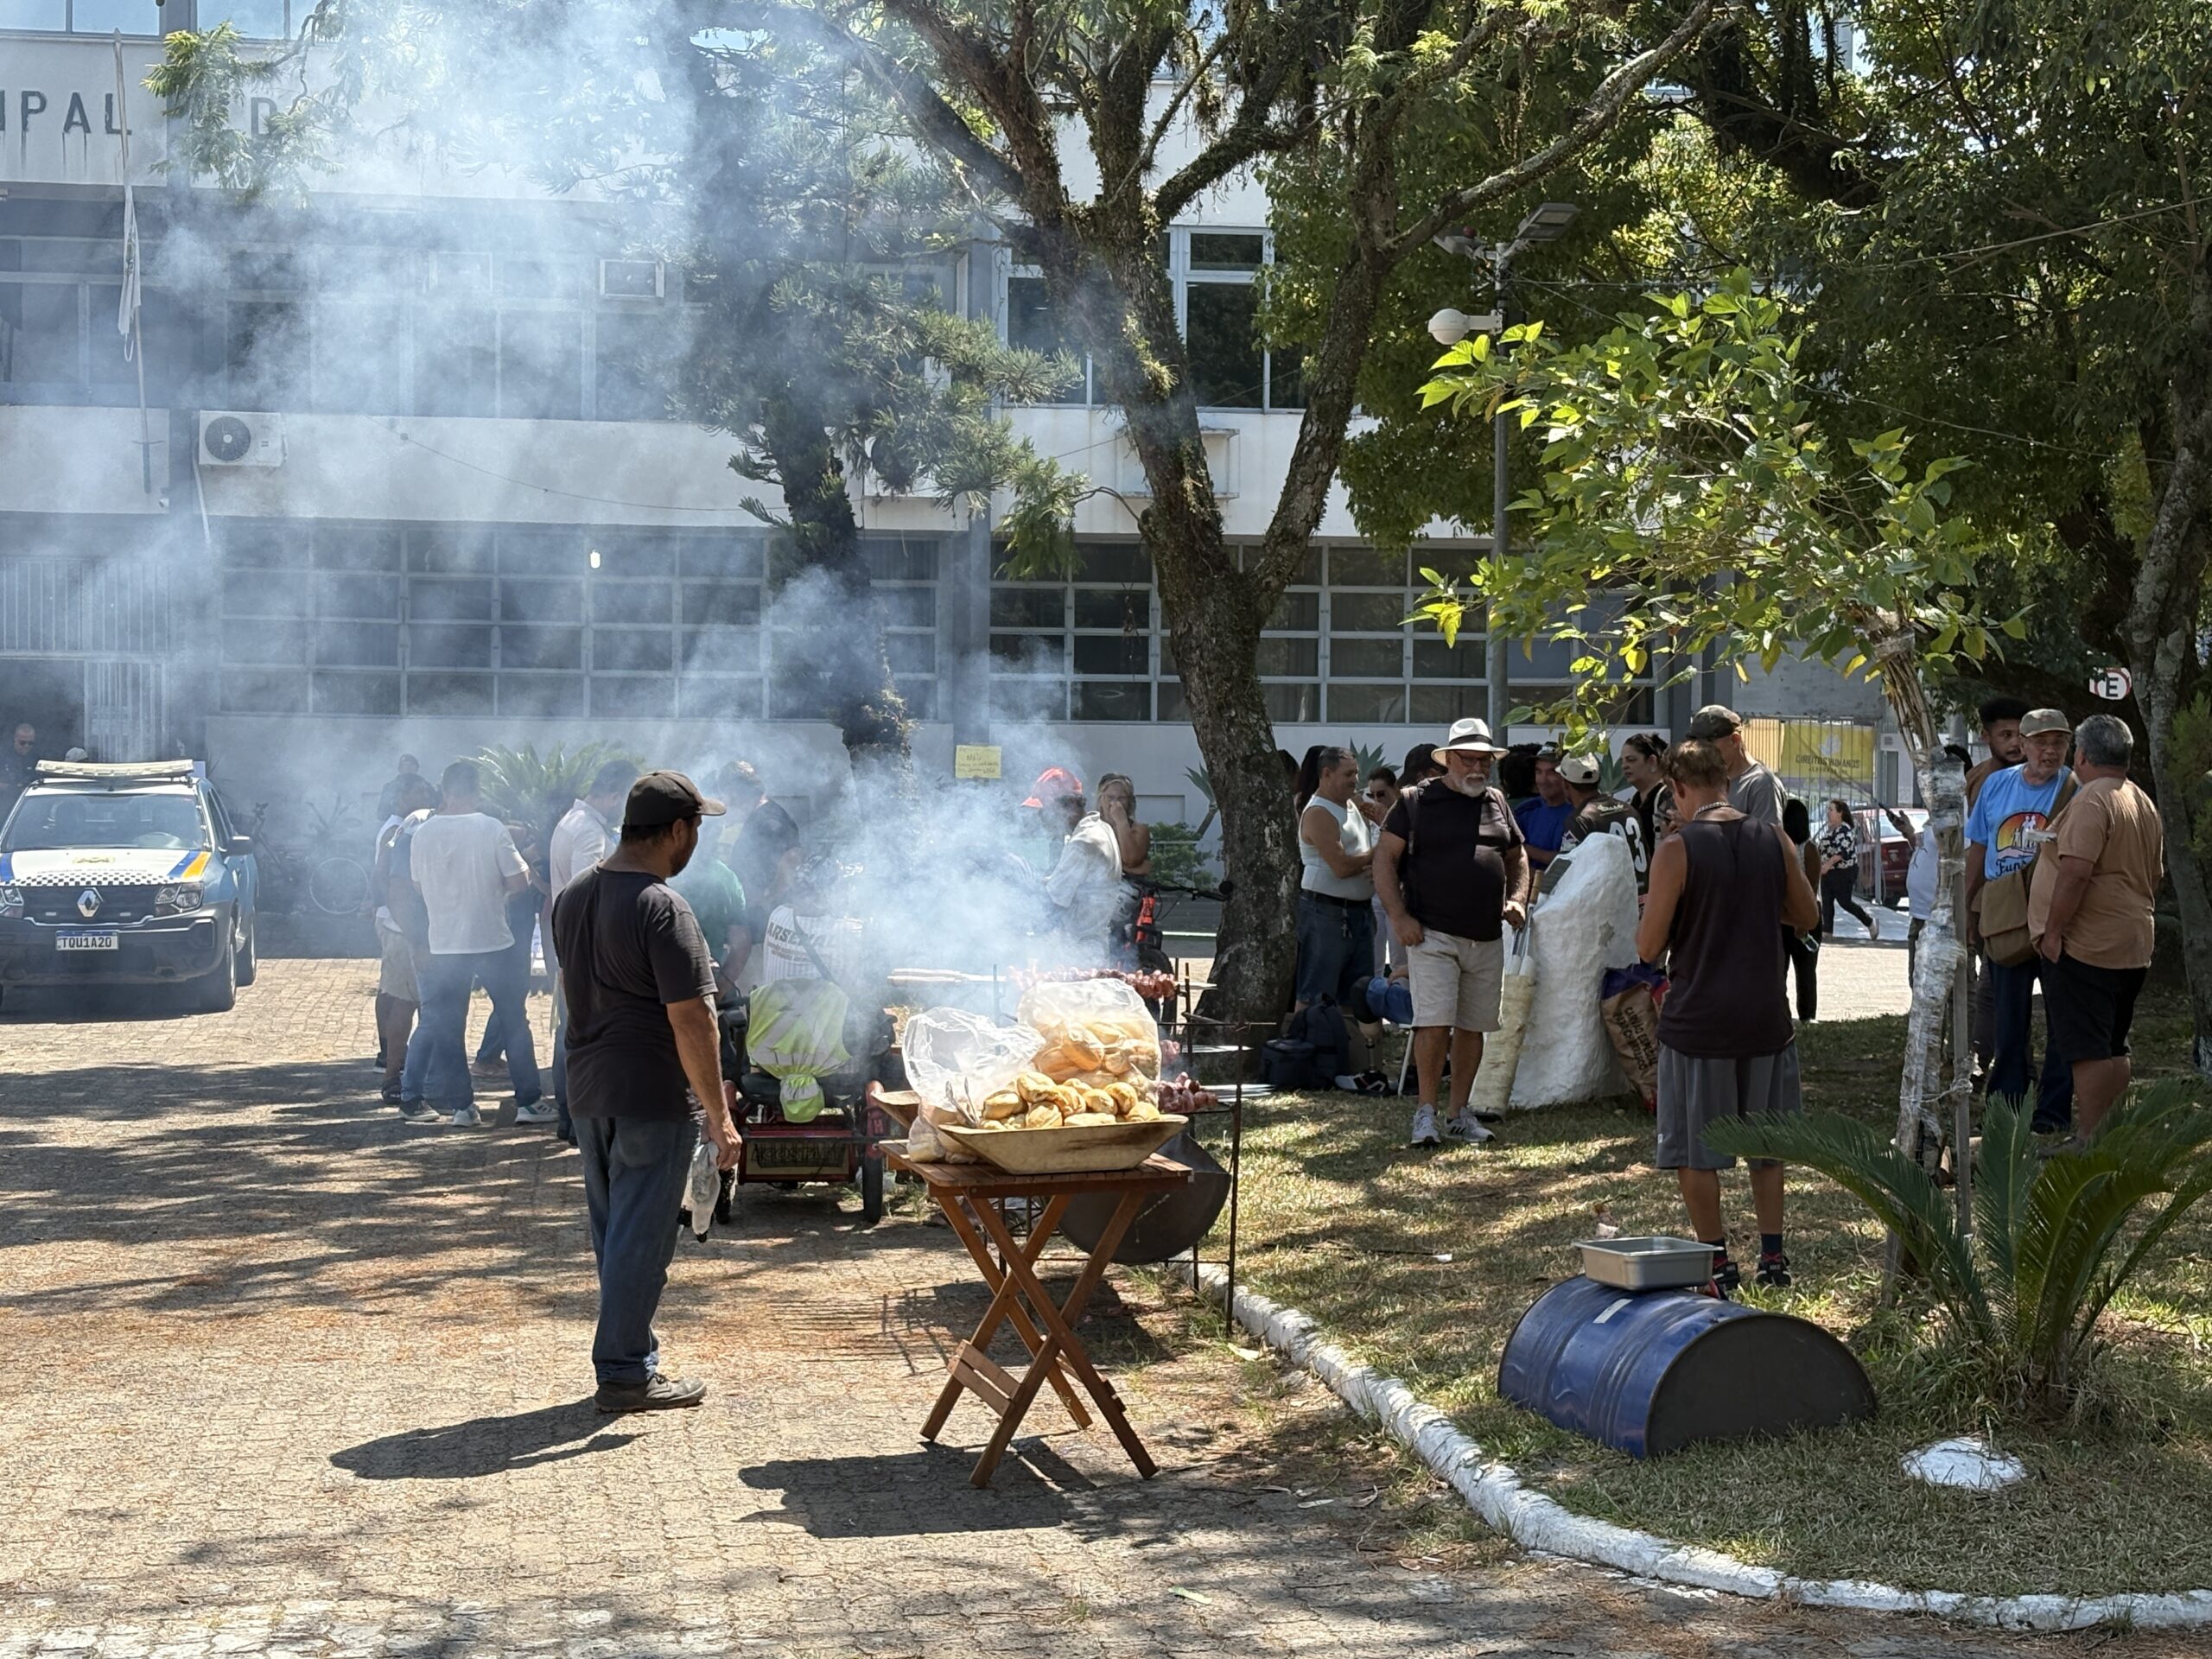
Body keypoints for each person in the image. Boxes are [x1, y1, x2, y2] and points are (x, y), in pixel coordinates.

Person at [550, 770, 741, 1413]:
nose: (696, 846)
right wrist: (720, 1117)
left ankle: (633, 1355)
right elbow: (694, 1018)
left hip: (588, 1090)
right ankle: (626, 1372)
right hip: (651, 1095)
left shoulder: (575, 894)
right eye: (696, 831)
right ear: (678, 831)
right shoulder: (664, 908)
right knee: (642, 1237)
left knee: (615, 1232)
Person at [1636, 739, 1821, 1294]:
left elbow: (1648, 948)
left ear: (1678, 788)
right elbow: (1808, 915)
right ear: (1728, 780)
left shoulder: (1677, 849)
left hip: (1700, 1020)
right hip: (1766, 1015)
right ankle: (1773, 1257)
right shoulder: (1774, 837)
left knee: (1698, 1150)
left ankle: (1717, 1265)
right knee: (1769, 1147)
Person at [1374, 718, 1529, 1148]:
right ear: (1448, 760)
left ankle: (1459, 1114)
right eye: (1469, 758)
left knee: (1473, 1026)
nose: (1478, 767)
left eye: (1485, 760)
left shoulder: (1497, 800)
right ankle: (1425, 1114)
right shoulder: (1413, 801)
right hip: (1431, 933)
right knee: (1434, 1023)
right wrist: (1399, 917)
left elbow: (1517, 857)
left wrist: (1517, 898)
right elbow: (1384, 861)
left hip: (1487, 934)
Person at [2031, 715, 2164, 1138]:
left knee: (2087, 1048)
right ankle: (2111, 1132)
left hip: (2088, 945)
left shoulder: (2092, 800)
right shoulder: (2141, 799)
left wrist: (2052, 933)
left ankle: (2092, 1137)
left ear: (2082, 755)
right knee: (2113, 1044)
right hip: (2132, 940)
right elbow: (2155, 874)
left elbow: (2075, 872)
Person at [405, 760, 541, 1127]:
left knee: (450, 1026)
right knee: (513, 1019)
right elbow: (518, 883)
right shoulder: (491, 828)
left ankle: (462, 1108)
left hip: (445, 942)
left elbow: (418, 887)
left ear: (444, 791)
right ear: (477, 792)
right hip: (492, 939)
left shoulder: (423, 833)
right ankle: (528, 1101)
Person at [1965, 708, 2076, 1130]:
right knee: (2009, 1021)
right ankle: (2006, 1111)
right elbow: (1978, 849)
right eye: (2041, 742)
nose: (2049, 751)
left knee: (2061, 1021)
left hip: (2056, 917)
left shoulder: (2075, 790)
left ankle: (2051, 1114)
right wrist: (1965, 905)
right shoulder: (1995, 785)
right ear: (2024, 746)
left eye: (2058, 742)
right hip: (2005, 916)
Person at [547, 761, 638, 1141]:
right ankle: (576, 1120)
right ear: (614, 795)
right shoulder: (588, 831)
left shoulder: (572, 821)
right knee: (582, 1034)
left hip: (572, 944)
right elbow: (591, 894)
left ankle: (569, 1118)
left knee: (569, 1031)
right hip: (587, 947)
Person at [371, 773, 437, 1109]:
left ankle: (409, 1071)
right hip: (403, 930)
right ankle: (394, 1076)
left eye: (427, 790)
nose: (425, 795)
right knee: (404, 1002)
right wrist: (401, 921)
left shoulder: (414, 824)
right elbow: (385, 877)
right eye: (419, 791)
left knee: (408, 1001)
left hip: (405, 927)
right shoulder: (404, 828)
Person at [1295, 746, 1376, 1012]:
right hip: (1326, 913)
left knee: (1357, 994)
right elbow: (1340, 867)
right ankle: (1303, 1050)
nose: (1355, 780)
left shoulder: (1352, 803)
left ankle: (1347, 1052)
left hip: (1359, 913)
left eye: (1356, 773)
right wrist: (1378, 853)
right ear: (1326, 774)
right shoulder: (1319, 812)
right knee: (1314, 995)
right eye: (1348, 774)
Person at [1030, 768, 1123, 963]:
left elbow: (1054, 903)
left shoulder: (1083, 843)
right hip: (1093, 947)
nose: (1042, 817)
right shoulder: (1101, 828)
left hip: (1077, 953)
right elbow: (1080, 883)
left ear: (1070, 806)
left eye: (1045, 809)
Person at [721, 761, 801, 980]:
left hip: (762, 934)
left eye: (725, 793)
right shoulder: (762, 817)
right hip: (758, 931)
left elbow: (793, 858)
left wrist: (768, 896)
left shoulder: (768, 821)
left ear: (735, 791)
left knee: (758, 996)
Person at [1555, 753, 1649, 893]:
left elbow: (1565, 873)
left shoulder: (1579, 820)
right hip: (1642, 899)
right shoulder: (1628, 809)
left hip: (1610, 904)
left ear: (1565, 783)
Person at [1685, 705, 1785, 825]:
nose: (1701, 751)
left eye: (1708, 744)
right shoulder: (1707, 780)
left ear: (1735, 740)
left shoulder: (1762, 785)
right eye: (1697, 744)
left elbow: (1768, 840)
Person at [1814, 798, 1883, 940]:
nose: (1828, 813)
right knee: (1827, 901)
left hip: (1843, 872)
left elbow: (1842, 853)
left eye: (1831, 810)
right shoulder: (1831, 830)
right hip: (1829, 872)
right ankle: (1827, 932)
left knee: (1844, 901)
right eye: (1828, 810)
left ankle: (1869, 922)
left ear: (1840, 813)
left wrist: (1827, 865)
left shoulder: (1844, 830)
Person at [1780, 798, 1822, 1021]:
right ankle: (1782, 1015)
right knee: (1779, 970)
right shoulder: (1781, 846)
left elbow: (1812, 887)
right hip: (1784, 918)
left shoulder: (1809, 848)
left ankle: (1807, 1016)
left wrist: (1803, 922)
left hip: (1806, 918)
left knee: (1805, 972)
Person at [1364, 767, 1403, 976]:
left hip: (1399, 896)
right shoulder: (1371, 819)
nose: (1377, 800)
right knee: (1373, 959)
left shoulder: (1403, 814)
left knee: (1399, 959)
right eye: (1372, 795)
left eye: (1382, 794)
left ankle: (1400, 1000)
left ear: (1394, 790)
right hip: (1375, 895)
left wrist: (1383, 823)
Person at [1513, 748, 1573, 871]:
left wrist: (1525, 849)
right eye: (1538, 772)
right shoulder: (1525, 812)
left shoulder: (1581, 814)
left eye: (1551, 772)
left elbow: (1574, 861)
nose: (1542, 780)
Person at [1966, 696, 2031, 808]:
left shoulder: (2045, 777)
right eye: (2006, 735)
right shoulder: (1974, 778)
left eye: (2021, 735)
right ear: (1986, 736)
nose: (2016, 742)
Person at [1621, 732, 1676, 847]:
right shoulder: (1635, 801)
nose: (1624, 766)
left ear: (1652, 761)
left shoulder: (1668, 797)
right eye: (1623, 761)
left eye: (1631, 760)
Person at [1096, 772, 1152, 879]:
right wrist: (1126, 868)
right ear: (1101, 800)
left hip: (1129, 890)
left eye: (1121, 798)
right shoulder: (1092, 827)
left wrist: (1121, 822)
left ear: (1129, 802)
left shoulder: (1139, 830)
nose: (1115, 803)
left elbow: (1131, 860)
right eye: (1110, 797)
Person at [374, 753, 423, 827]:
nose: (408, 768)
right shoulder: (390, 788)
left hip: (419, 826)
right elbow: (381, 814)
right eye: (405, 766)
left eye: (412, 765)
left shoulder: (425, 787)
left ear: (417, 769)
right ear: (400, 769)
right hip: (396, 827)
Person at [3, 722, 36, 816]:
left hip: (30, 805)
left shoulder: (36, 759)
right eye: (22, 743)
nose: (26, 746)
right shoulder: (3, 756)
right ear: (15, 739)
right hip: (4, 804)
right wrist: (11, 788)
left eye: (30, 743)